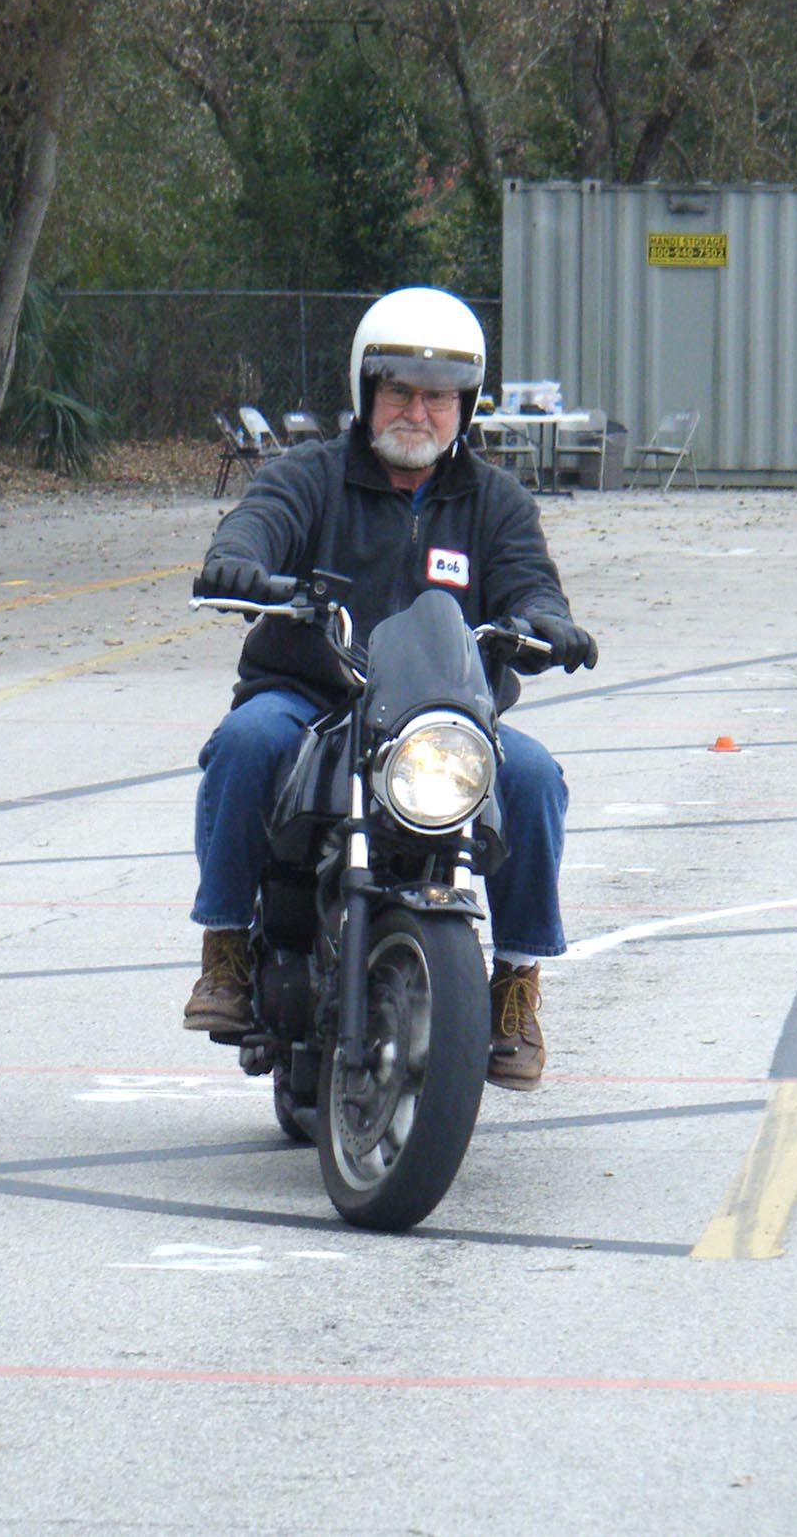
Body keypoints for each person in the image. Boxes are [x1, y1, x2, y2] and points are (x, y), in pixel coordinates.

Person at [185, 287, 597, 1091]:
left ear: (463, 406)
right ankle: (226, 947)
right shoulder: (310, 476)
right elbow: (256, 522)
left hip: (438, 715)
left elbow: (530, 582)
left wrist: (548, 622)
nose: (417, 412)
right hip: (313, 699)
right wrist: (238, 561)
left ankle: (515, 980)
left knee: (534, 775)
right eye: (400, 391)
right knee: (244, 741)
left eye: (437, 396)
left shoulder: (495, 502)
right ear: (366, 390)